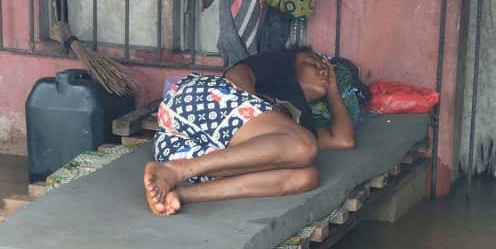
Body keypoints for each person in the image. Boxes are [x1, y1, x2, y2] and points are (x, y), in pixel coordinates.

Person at [144, 48, 356, 216]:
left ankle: (180, 194)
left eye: (326, 70)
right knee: (303, 146)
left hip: (182, 147)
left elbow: (343, 140)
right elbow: (236, 76)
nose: (322, 70)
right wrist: (262, 117)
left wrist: (334, 91)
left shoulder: (302, 122)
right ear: (295, 60)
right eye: (313, 62)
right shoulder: (281, 65)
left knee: (306, 176)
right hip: (194, 104)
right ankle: (177, 171)